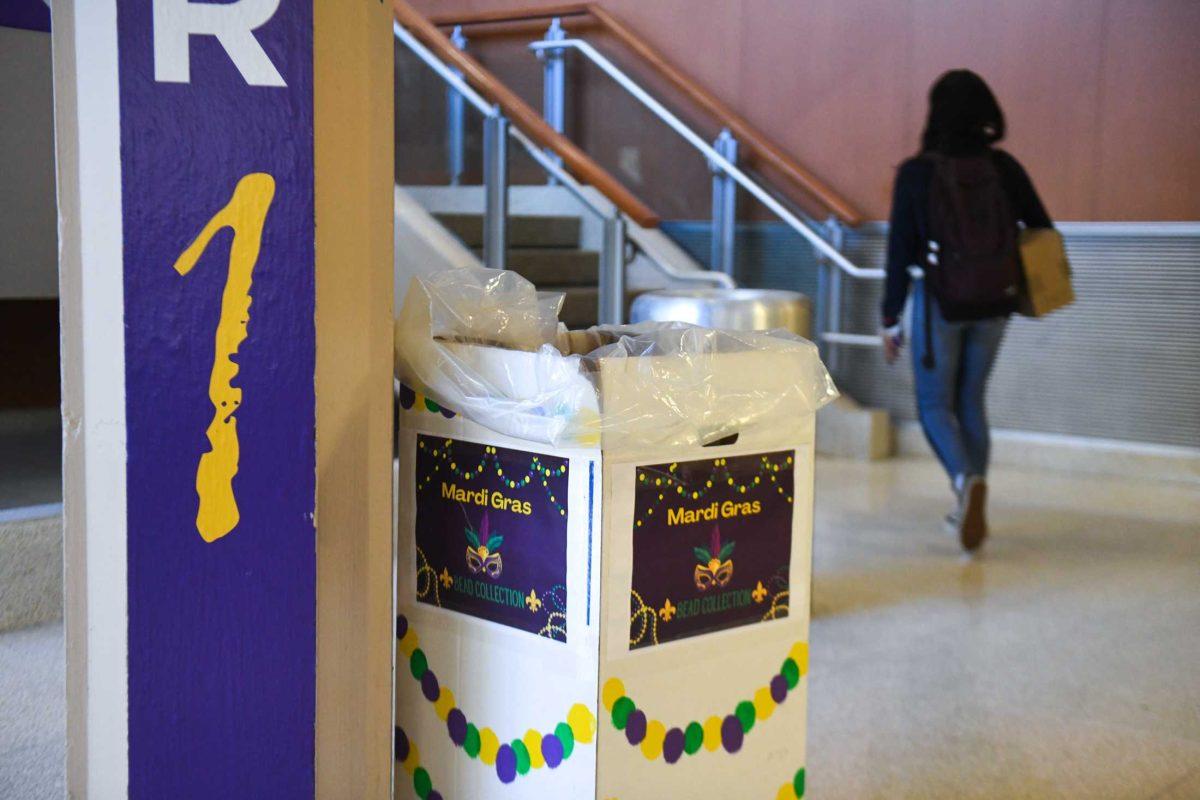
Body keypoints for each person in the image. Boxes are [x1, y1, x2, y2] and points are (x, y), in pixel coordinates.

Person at [881, 69, 1052, 553]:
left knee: (934, 405)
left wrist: (890, 318)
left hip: (942, 304)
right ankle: (970, 502)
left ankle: (963, 482)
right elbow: (1041, 226)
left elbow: (900, 252)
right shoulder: (1004, 167)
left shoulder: (919, 173)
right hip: (997, 302)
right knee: (971, 399)